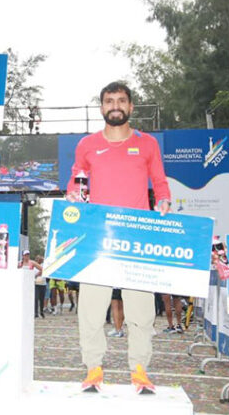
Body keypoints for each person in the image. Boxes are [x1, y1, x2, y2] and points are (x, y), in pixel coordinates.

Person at [67, 81, 170, 395]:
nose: (115, 105)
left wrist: (164, 201)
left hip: (136, 237)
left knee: (141, 311)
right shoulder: (86, 144)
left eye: (121, 100)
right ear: (101, 108)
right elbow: (75, 180)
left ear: (130, 107)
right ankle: (93, 370)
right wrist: (73, 194)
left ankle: (139, 372)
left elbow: (160, 182)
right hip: (97, 237)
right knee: (91, 309)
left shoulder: (148, 143)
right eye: (109, 100)